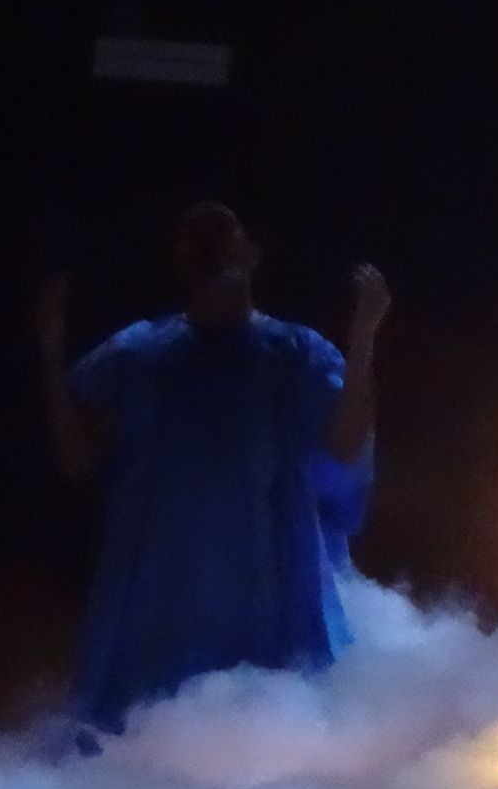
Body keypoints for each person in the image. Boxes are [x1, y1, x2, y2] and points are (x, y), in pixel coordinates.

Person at [36, 203, 391, 732]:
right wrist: (50, 348)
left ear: (251, 252)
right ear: (179, 259)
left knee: (270, 735)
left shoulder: (293, 351)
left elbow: (344, 447)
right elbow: (77, 459)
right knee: (148, 738)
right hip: (160, 603)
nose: (210, 245)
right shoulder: (138, 352)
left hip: (268, 591)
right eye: (195, 235)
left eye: (223, 231)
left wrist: (363, 339)